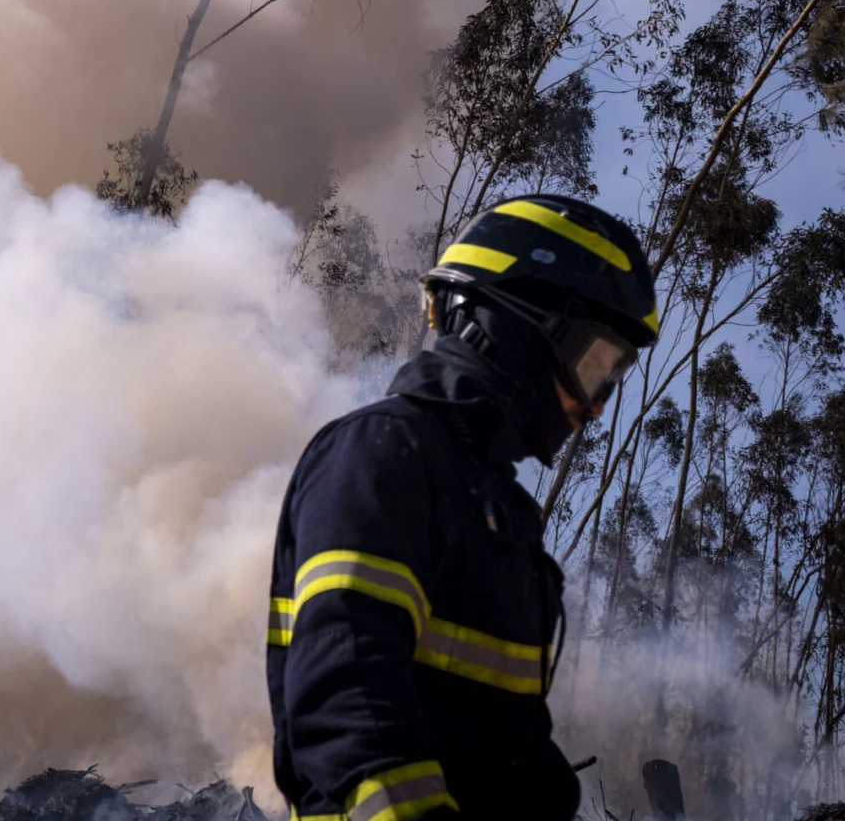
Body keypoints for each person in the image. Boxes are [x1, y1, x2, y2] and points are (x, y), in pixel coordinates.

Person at [265, 194, 659, 821]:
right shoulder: (384, 452)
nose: (594, 407)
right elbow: (348, 693)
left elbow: (503, 746)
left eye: (608, 379)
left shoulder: (498, 513)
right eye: (591, 367)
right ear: (517, 327)